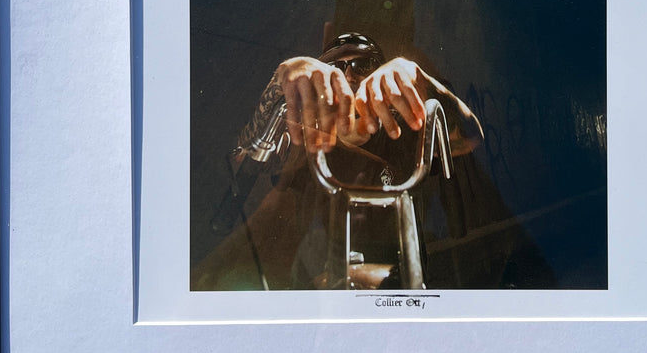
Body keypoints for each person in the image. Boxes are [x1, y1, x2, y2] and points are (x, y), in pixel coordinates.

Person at [192, 33, 483, 291]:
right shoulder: (303, 139)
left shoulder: (406, 131)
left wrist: (423, 83)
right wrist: (278, 87)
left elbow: (469, 139)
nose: (349, 74)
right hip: (320, 287)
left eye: (363, 65)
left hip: (402, 278)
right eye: (336, 68)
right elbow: (243, 161)